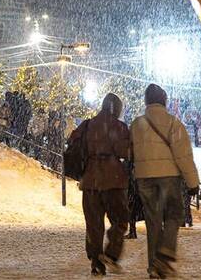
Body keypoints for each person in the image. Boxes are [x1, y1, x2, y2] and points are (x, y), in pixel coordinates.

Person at [130, 84, 199, 279]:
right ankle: (167, 251)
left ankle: (154, 266)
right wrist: (193, 182)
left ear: (146, 101)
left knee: (153, 221)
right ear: (164, 100)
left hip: (144, 177)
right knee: (174, 214)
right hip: (168, 176)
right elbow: (183, 155)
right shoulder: (173, 123)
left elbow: (130, 152)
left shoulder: (136, 124)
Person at [67, 93, 130, 275]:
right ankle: (111, 253)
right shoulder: (119, 127)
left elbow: (73, 143)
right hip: (113, 180)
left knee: (93, 224)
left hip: (91, 181)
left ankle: (96, 262)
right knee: (120, 220)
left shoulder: (87, 125)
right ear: (117, 108)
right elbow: (125, 152)